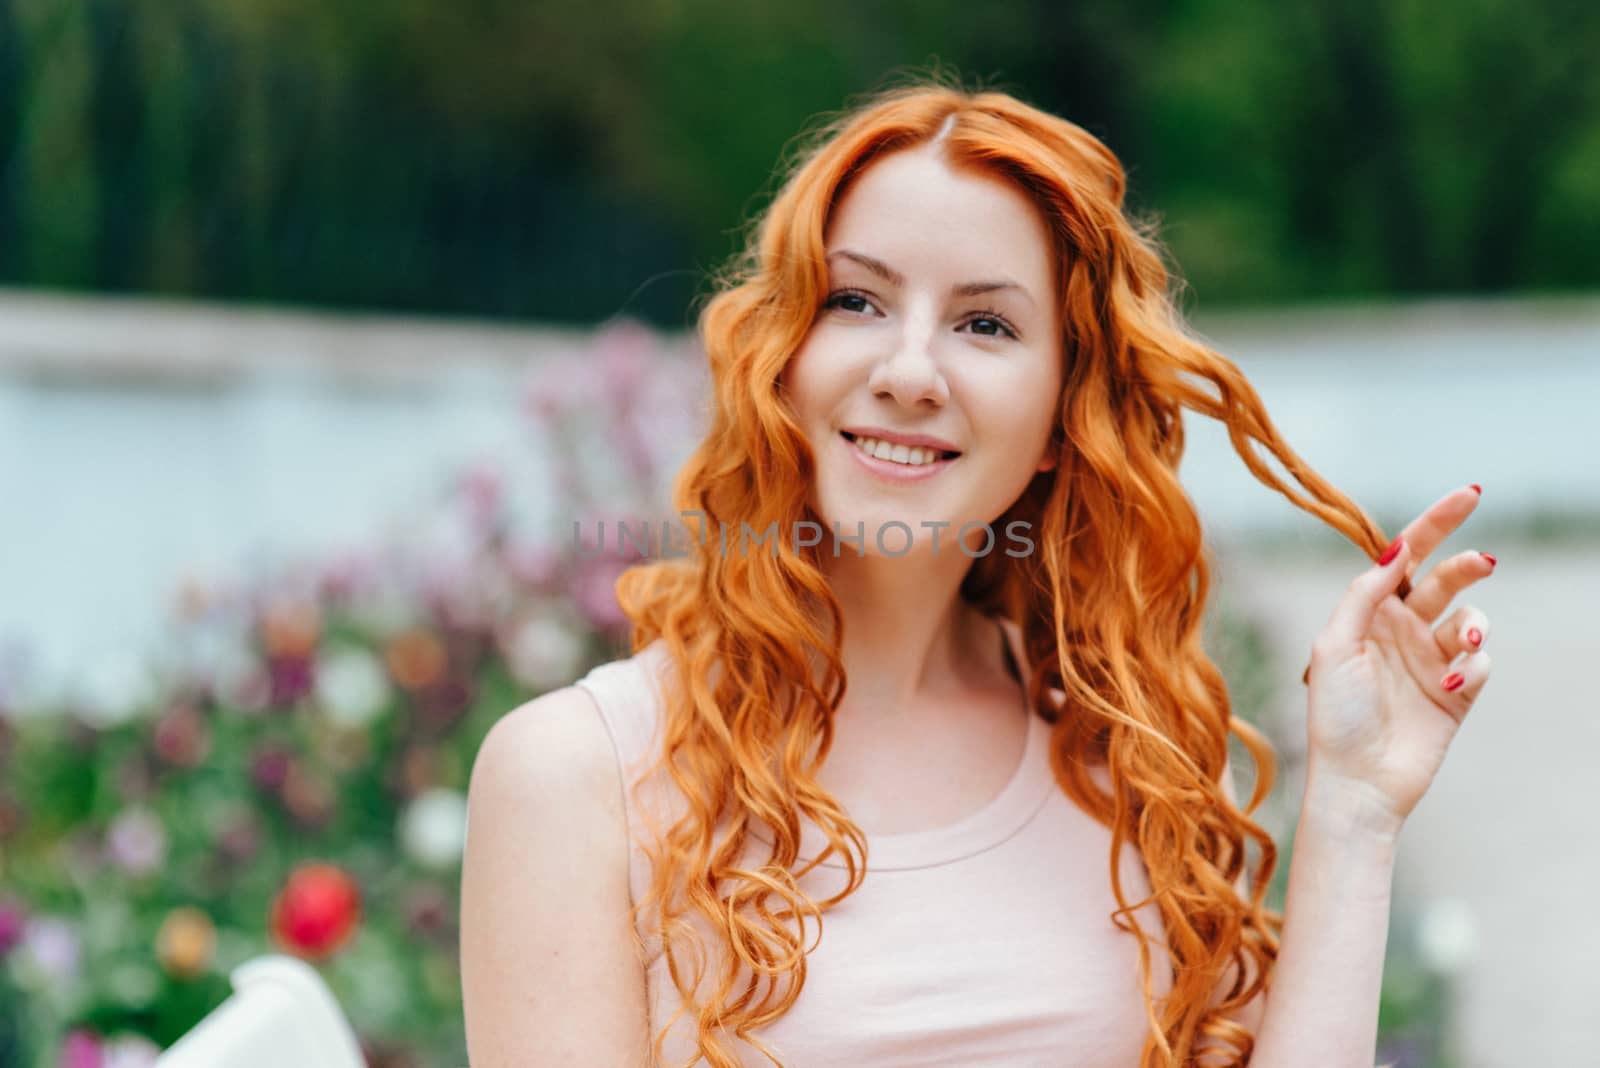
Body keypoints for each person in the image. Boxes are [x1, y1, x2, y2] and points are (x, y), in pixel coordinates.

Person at [459, 76, 1495, 1068]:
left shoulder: (1135, 762)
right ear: (781, 355)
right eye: (855, 301)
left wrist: (1356, 812)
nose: (907, 372)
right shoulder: (575, 778)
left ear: (1060, 420)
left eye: (985, 324)